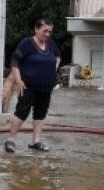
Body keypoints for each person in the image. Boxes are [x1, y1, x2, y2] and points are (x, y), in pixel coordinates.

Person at [4, 17, 61, 153]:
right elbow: (15, 62)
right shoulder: (26, 43)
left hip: (46, 87)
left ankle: (36, 141)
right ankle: (10, 140)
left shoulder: (51, 44)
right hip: (28, 86)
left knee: (40, 113)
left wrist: (54, 69)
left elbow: (58, 55)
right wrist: (18, 80)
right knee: (21, 112)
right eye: (44, 31)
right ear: (36, 29)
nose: (47, 34)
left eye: (50, 32)